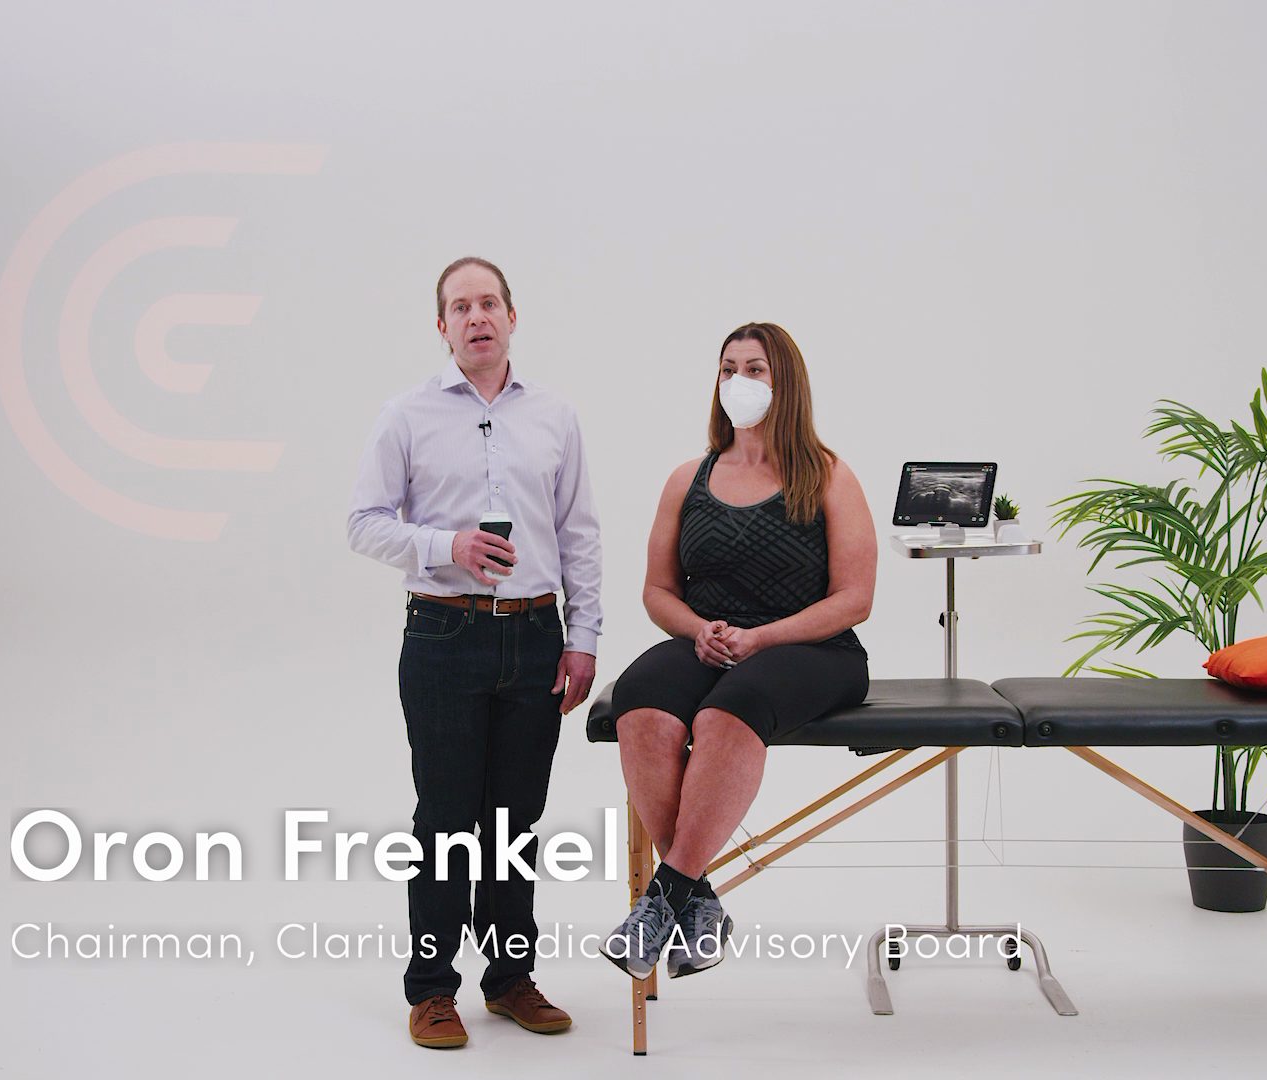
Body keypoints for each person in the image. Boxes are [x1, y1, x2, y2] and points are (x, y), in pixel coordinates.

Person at [347, 256, 601, 1049]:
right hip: (443, 633)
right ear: (442, 327)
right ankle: (431, 990)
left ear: (512, 317)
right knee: (447, 819)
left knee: (515, 822)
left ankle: (510, 978)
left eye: (489, 302)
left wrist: (584, 637)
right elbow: (363, 522)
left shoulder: (555, 415)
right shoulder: (406, 415)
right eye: (461, 307)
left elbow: (578, 533)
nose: (477, 317)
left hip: (535, 636)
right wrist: (444, 545)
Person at [602, 322, 875, 980]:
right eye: (728, 369)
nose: (738, 382)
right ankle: (697, 901)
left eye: (755, 370)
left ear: (786, 383)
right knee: (639, 701)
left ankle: (663, 898)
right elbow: (658, 592)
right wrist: (698, 629)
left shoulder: (828, 475)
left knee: (729, 710)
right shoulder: (687, 479)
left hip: (815, 648)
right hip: (714, 642)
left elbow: (854, 598)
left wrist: (762, 638)